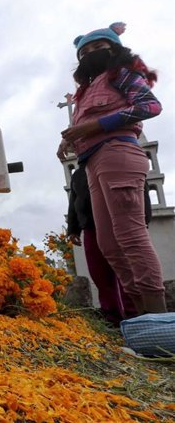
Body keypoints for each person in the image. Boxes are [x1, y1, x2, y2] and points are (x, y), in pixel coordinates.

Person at [57, 22, 166, 314]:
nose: (91, 54)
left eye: (98, 47)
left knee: (130, 235)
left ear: (114, 48)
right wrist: (70, 140)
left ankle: (157, 314)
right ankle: (139, 315)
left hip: (117, 151)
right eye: (84, 51)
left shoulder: (123, 75)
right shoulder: (85, 92)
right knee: (108, 243)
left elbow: (150, 107)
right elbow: (83, 126)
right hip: (92, 163)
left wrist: (98, 124)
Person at [67, 165, 152, 326]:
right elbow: (74, 201)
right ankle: (112, 318)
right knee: (100, 274)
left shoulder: (114, 161)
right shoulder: (78, 174)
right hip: (91, 227)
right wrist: (73, 229)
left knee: (126, 270)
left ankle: (135, 316)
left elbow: (141, 191)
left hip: (120, 222)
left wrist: (144, 218)